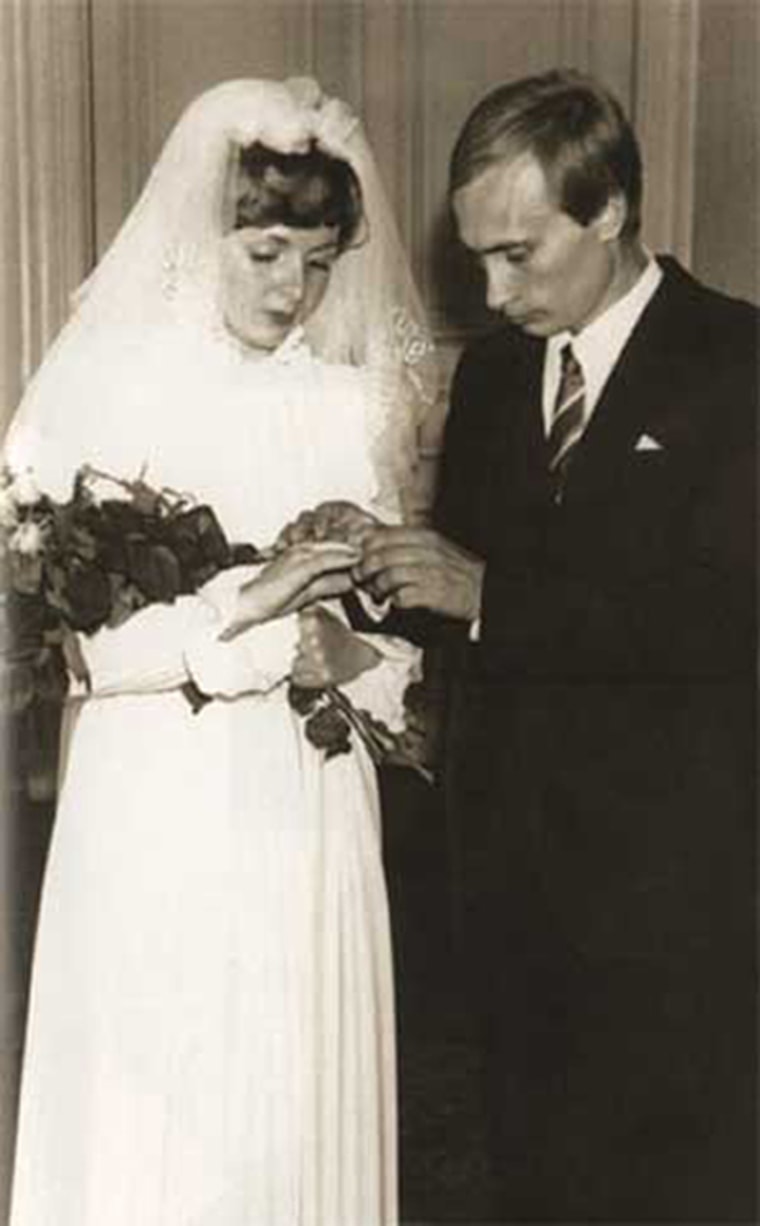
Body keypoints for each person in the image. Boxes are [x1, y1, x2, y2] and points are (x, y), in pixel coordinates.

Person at [5, 78, 435, 1225]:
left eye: (317, 261)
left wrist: (347, 648)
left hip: (309, 807)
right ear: (209, 230)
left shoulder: (354, 408)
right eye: (265, 251)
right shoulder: (101, 386)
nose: (291, 291)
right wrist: (240, 623)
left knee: (299, 1111)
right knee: (172, 1123)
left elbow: (399, 662)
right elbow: (42, 645)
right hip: (158, 813)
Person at [352, 69, 757, 1220]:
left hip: (677, 889)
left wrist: (489, 592)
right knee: (533, 1175)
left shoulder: (739, 365)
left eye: (518, 254)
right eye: (478, 255)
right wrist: (377, 566)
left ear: (611, 212)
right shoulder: (489, 375)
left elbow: (724, 615)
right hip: (510, 883)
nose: (491, 288)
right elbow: (470, 600)